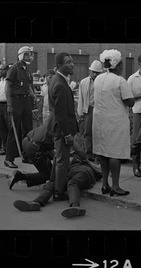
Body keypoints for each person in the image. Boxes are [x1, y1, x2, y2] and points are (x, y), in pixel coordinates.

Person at [12, 142, 102, 218]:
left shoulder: (92, 162)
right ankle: (36, 202)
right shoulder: (74, 158)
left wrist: (86, 161)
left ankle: (75, 207)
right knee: (53, 183)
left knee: (72, 183)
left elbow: (100, 171)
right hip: (70, 172)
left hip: (85, 173)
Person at [93, 49, 135, 196]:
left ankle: (105, 184)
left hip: (99, 120)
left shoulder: (98, 79)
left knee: (103, 153)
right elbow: (130, 101)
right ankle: (116, 186)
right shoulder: (120, 81)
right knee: (114, 153)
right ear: (117, 65)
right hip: (115, 121)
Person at [46, 52, 79, 200]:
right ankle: (59, 192)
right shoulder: (59, 83)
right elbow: (60, 114)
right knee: (62, 160)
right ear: (59, 66)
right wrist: (67, 135)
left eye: (72, 61)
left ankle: (53, 184)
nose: (71, 64)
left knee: (59, 158)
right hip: (61, 128)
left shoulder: (58, 79)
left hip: (59, 126)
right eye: (67, 62)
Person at [4, 46, 36, 168]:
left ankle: (26, 155)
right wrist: (9, 104)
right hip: (16, 101)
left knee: (28, 130)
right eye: (27, 54)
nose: (30, 56)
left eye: (30, 54)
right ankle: (8, 158)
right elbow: (8, 86)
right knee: (14, 129)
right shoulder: (14, 69)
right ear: (21, 55)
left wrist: (33, 97)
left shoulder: (27, 70)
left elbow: (28, 86)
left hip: (25, 100)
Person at [8, 121, 55, 189]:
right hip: (34, 147)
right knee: (47, 175)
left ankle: (47, 181)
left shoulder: (52, 121)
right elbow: (58, 154)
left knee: (50, 172)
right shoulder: (60, 129)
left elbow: (50, 150)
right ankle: (19, 176)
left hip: (28, 141)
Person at [77, 60, 103, 161]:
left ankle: (97, 155)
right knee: (88, 133)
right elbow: (81, 98)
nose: (94, 74)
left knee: (98, 133)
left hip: (99, 110)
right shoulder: (84, 82)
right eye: (93, 72)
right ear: (90, 71)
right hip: (88, 110)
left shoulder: (102, 83)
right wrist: (80, 113)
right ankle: (88, 155)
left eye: (97, 72)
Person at [0, 64, 11, 155]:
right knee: (3, 129)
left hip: (7, 105)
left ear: (7, 70)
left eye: (2, 69)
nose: (0, 71)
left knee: (9, 128)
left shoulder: (9, 81)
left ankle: (11, 149)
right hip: (0, 105)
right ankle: (5, 148)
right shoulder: (0, 81)